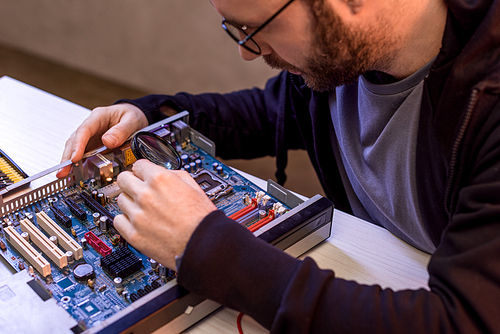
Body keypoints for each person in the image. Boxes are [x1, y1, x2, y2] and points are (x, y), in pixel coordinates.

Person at [57, 0, 500, 331]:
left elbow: (459, 322)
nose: (247, 51)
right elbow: (270, 112)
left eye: (252, 27)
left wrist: (210, 250)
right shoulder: (345, 62)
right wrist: (153, 118)